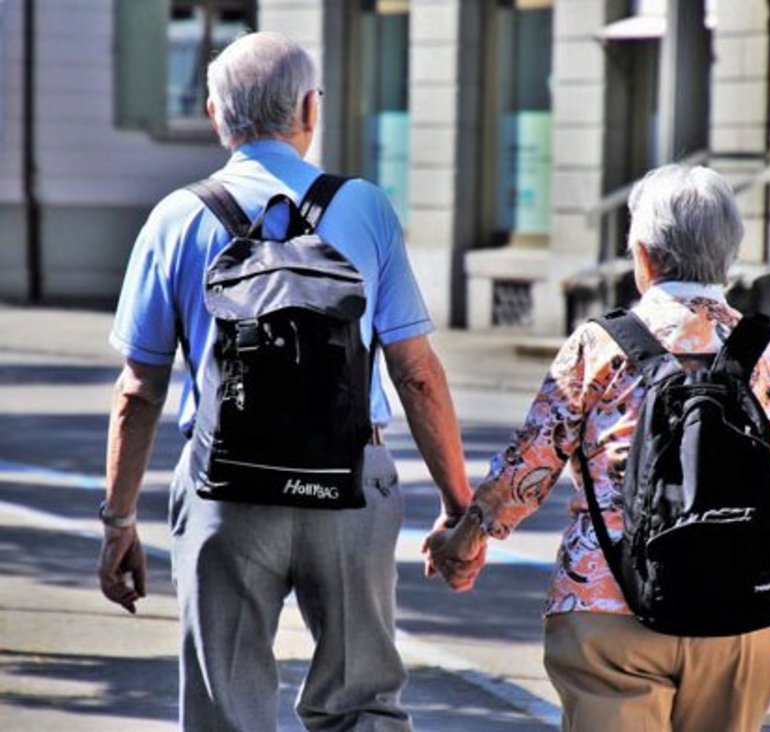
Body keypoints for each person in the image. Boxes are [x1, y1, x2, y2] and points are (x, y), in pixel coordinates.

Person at [97, 31, 482, 732]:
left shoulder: (175, 218)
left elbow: (139, 391)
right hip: (349, 487)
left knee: (225, 709)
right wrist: (461, 509)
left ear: (216, 115)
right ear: (311, 109)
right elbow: (417, 374)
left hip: (226, 492)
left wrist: (119, 521)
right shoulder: (364, 208)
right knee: (361, 701)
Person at [426, 164, 770, 731]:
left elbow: (527, 468)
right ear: (728, 255)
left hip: (609, 608)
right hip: (745, 617)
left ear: (645, 255)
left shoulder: (599, 346)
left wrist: (465, 538)